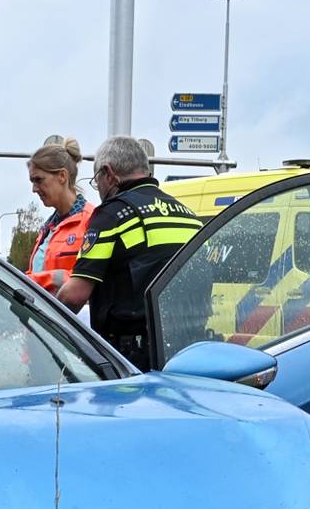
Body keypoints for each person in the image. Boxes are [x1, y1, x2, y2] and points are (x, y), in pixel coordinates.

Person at [57, 136, 203, 370]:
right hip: (188, 353)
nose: (100, 190)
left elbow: (74, 295)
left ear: (109, 173)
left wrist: (42, 324)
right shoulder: (188, 215)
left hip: (132, 360)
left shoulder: (113, 214)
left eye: (98, 181)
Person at [24, 138, 92, 294]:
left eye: (39, 180)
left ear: (62, 176)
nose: (34, 189)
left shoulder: (92, 221)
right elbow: (35, 276)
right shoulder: (47, 229)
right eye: (32, 181)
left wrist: (38, 281)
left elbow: (91, 281)